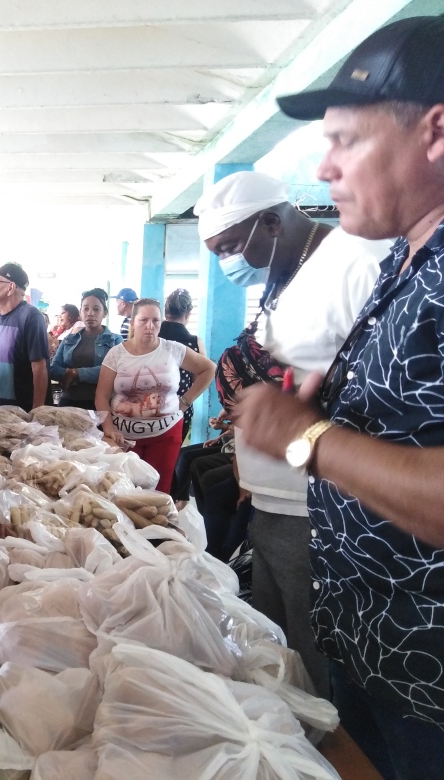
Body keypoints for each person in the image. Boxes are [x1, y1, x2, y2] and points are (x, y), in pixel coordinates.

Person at [237, 17, 444, 779]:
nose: (323, 168)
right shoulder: (404, 262)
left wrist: (306, 437)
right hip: (382, 661)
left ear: (435, 131)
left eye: (345, 140)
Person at [195, 170, 388, 700]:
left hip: (321, 507)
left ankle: (331, 751)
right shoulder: (285, 277)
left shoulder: (355, 261)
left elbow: (367, 393)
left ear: (272, 224)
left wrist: (289, 416)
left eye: (231, 247)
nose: (228, 263)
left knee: (318, 655)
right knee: (281, 644)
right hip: (273, 497)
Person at [96, 298, 215, 494]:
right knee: (122, 491)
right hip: (124, 436)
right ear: (133, 322)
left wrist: (185, 401)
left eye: (155, 321)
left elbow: (208, 369)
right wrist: (108, 428)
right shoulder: (116, 354)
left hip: (165, 436)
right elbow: (101, 395)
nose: (150, 326)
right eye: (143, 320)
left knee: (158, 493)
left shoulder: (173, 349)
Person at [0, 261, 49, 410]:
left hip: (21, 409)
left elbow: (39, 367)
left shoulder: (31, 316)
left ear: (11, 287)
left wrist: (37, 410)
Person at [50, 289, 122, 410]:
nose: (90, 313)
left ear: (105, 313)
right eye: (86, 308)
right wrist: (78, 374)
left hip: (100, 406)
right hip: (68, 404)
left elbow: (114, 370)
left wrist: (76, 373)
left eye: (96, 309)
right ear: (80, 312)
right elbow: (53, 369)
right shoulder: (69, 339)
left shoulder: (115, 340)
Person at [159, 288, 205, 441]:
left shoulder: (152, 338)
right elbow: (198, 378)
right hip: (179, 409)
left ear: (165, 313)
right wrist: (184, 402)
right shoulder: (194, 342)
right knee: (171, 458)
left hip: (146, 409)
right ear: (187, 315)